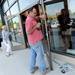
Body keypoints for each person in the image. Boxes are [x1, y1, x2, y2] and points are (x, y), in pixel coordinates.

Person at [25, 7, 47, 75]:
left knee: (33, 55)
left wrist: (40, 16)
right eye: (34, 13)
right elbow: (28, 32)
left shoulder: (31, 18)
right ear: (30, 12)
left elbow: (36, 17)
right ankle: (43, 70)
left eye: (36, 12)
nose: (35, 14)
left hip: (33, 42)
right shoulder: (29, 20)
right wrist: (36, 26)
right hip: (36, 41)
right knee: (40, 56)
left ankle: (32, 69)